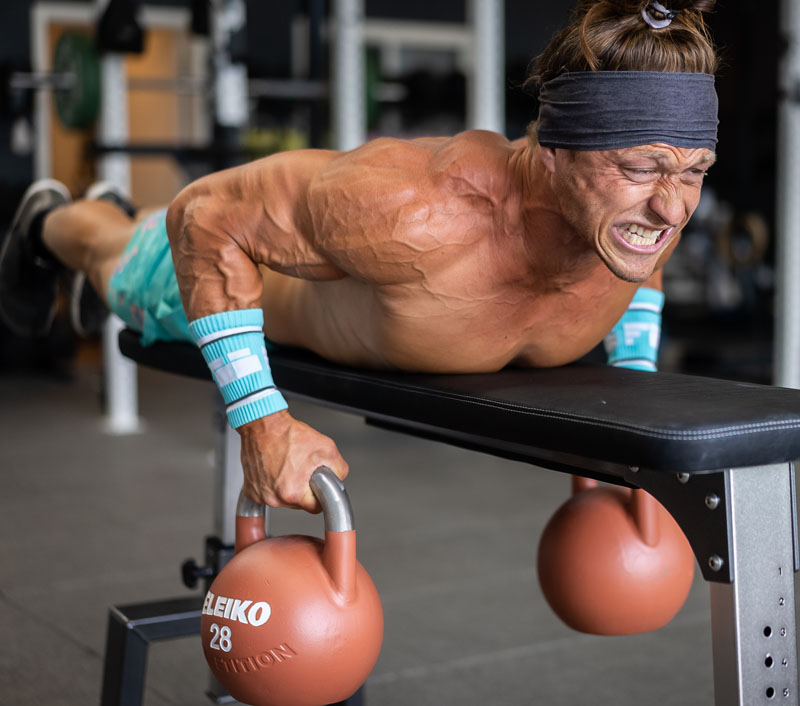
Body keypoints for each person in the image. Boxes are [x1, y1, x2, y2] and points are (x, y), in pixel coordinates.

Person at [0, 0, 718, 512]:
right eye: (641, 167)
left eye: (693, 172)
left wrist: (632, 405)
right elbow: (209, 216)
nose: (672, 208)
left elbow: (647, 258)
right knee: (111, 253)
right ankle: (50, 222)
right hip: (219, 271)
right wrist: (261, 419)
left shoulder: (627, 220)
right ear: (556, 149)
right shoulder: (418, 211)